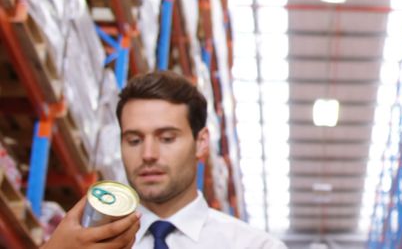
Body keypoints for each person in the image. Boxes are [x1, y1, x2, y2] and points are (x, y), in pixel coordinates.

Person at [44, 71, 285, 249]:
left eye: (167, 138)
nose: (148, 154)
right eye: (134, 140)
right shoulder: (89, 243)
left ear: (201, 142)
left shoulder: (253, 246)